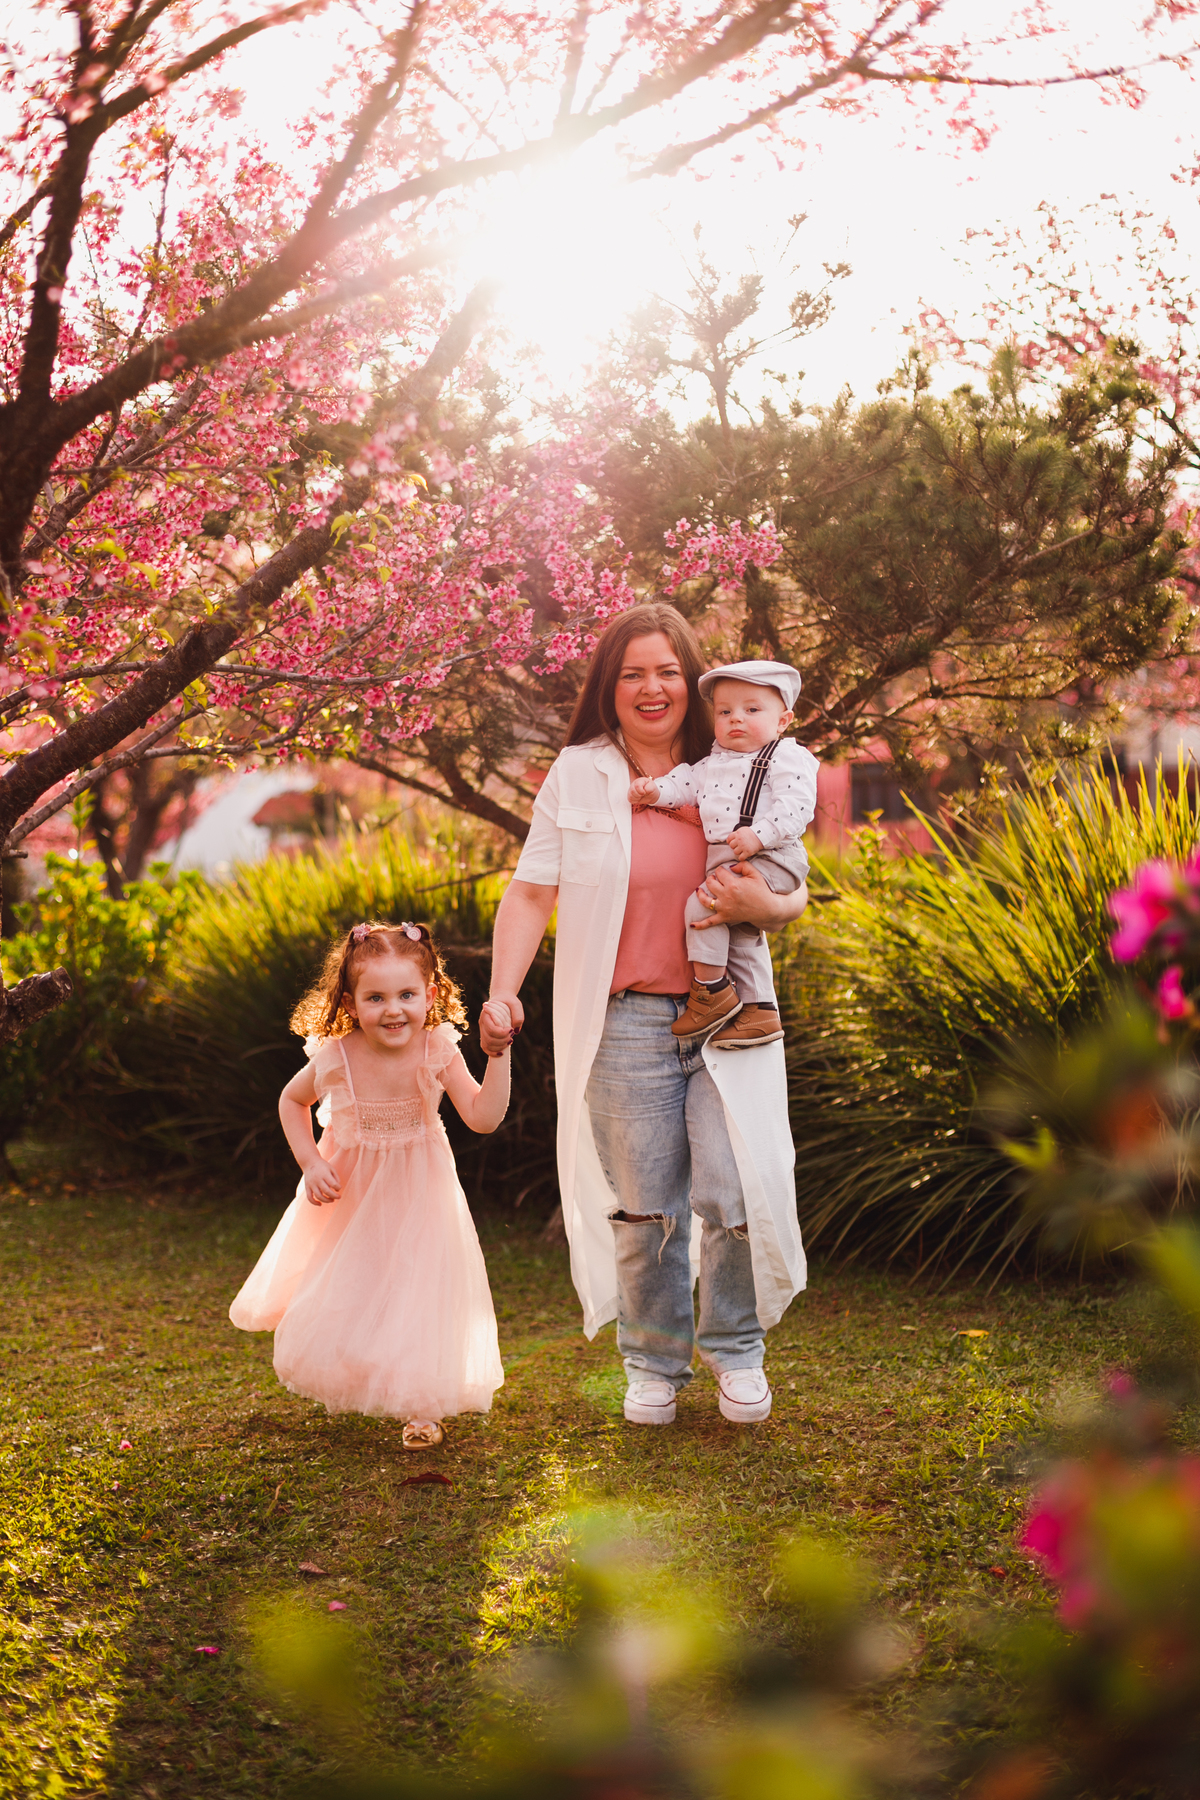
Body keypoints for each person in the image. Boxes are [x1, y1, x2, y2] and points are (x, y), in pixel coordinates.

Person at [479, 603, 808, 1429]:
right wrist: (503, 989)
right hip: (623, 1018)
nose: (651, 687)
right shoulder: (579, 771)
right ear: (610, 687)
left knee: (734, 1189)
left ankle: (735, 1350)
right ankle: (655, 1363)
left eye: (666, 670)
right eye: (633, 673)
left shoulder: (736, 752)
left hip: (732, 1013)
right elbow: (530, 890)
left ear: (689, 680)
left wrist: (768, 904)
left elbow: (792, 885)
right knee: (646, 1205)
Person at [230, 921, 509, 1450]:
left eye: (407, 994)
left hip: (421, 1192)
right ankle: (362, 1372)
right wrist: (311, 1162)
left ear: (430, 995)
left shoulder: (437, 1051)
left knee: (418, 1290)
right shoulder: (336, 1056)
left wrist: (500, 1054)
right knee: (355, 1286)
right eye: (375, 997)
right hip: (352, 1198)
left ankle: (420, 1408)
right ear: (351, 1004)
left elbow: (483, 1117)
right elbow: (293, 1102)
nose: (393, 1009)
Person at [628, 658, 817, 1050]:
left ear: (782, 721)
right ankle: (760, 1011)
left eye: (752, 710)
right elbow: (683, 783)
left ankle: (711, 992)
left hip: (773, 853)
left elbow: (798, 806)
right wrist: (655, 792)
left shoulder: (785, 757)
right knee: (741, 930)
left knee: (704, 907)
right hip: (734, 856)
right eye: (725, 711)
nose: (736, 720)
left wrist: (759, 836)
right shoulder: (713, 763)